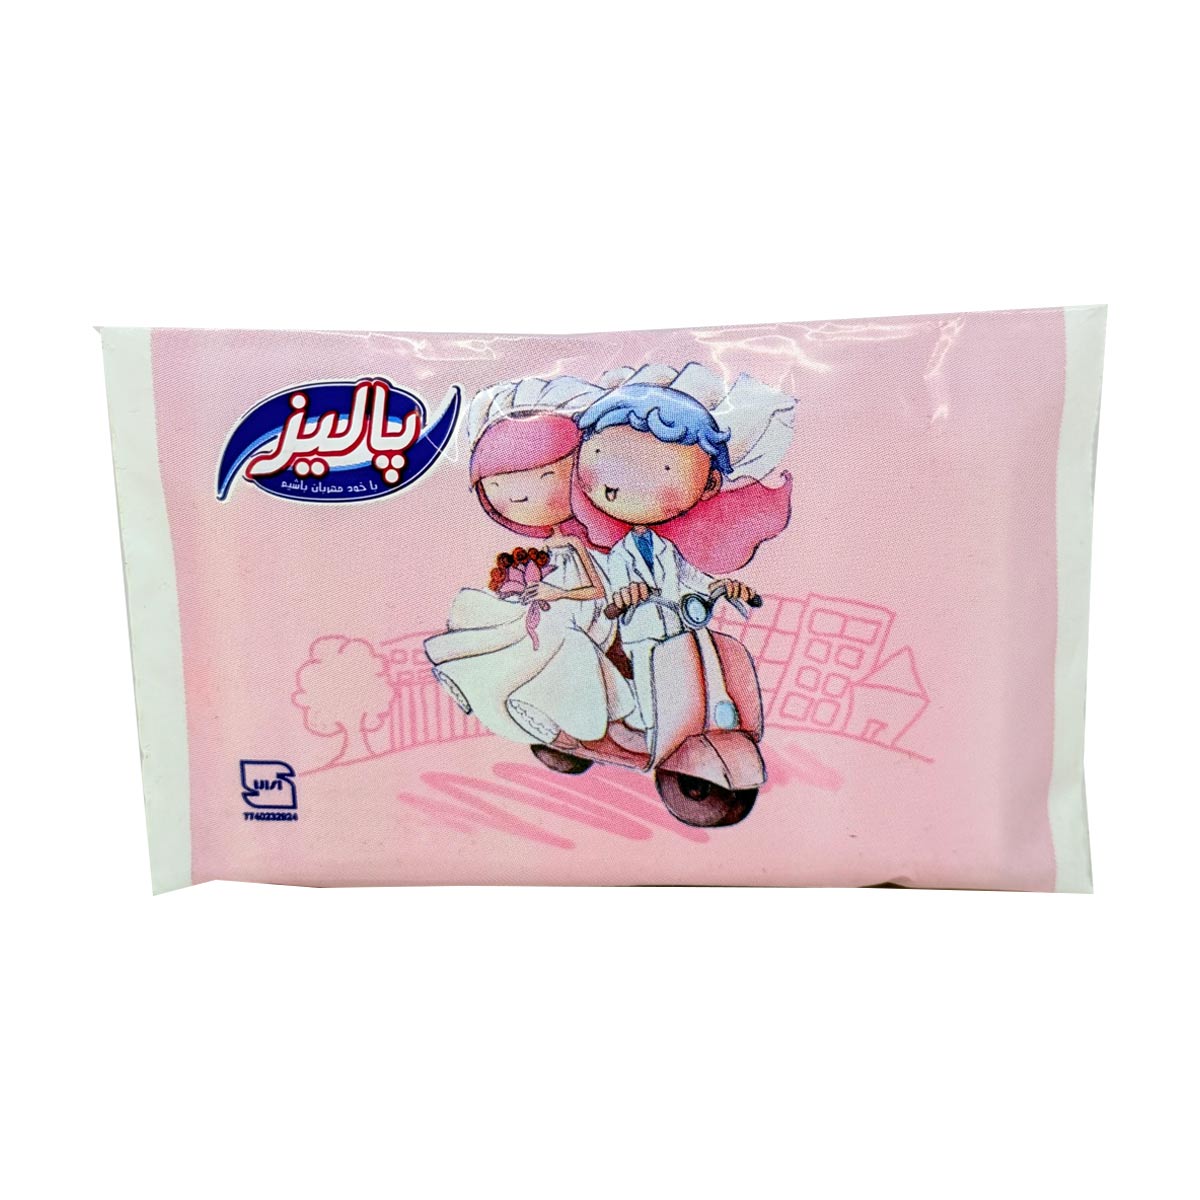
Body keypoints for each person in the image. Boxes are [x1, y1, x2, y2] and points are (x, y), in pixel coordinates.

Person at [572, 383, 793, 739]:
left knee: (704, 653)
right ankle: (649, 725)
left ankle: (716, 708)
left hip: (679, 621)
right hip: (643, 627)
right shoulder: (621, 554)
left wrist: (722, 586)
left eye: (661, 469)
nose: (625, 482)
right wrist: (626, 596)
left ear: (709, 484)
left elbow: (691, 576)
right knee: (650, 671)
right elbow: (615, 588)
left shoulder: (666, 548)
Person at [424, 402, 635, 747]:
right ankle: (468, 678)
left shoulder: (576, 542)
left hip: (585, 612)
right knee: (488, 613)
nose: (520, 496)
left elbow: (596, 590)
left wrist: (556, 594)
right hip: (554, 608)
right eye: (498, 485)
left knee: (556, 641)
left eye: (545, 477)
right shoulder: (549, 543)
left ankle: (520, 700)